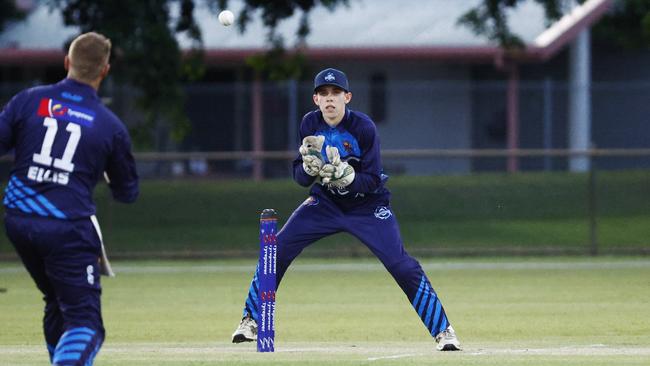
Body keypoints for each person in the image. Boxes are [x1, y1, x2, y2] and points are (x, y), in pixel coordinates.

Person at [231, 68, 461, 351]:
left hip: (368, 206)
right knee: (276, 250)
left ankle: (444, 331)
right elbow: (301, 178)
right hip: (325, 203)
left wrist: (348, 177)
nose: (330, 100)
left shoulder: (363, 128)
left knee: (401, 265)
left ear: (347, 97)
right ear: (315, 99)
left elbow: (373, 179)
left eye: (336, 94)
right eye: (323, 94)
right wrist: (307, 167)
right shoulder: (309, 123)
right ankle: (250, 320)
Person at [0, 32, 139, 365]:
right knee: (87, 324)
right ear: (104, 71)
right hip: (66, 227)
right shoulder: (110, 125)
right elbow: (127, 192)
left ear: (67, 63)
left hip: (17, 220)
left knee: (56, 301)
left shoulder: (28, 100)